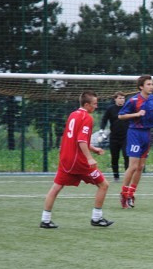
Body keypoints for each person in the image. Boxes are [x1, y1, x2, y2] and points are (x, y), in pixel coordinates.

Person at [40, 90, 114, 228]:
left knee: (56, 187)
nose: (96, 106)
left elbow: (76, 138)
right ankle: (96, 218)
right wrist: (89, 158)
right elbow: (81, 141)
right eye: (94, 104)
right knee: (104, 185)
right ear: (86, 105)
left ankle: (45, 220)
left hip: (65, 159)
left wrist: (94, 149)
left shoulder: (73, 115)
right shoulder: (87, 118)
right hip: (79, 162)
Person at [118, 75, 153, 208]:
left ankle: (131, 194)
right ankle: (123, 193)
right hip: (135, 133)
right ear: (141, 87)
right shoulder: (133, 100)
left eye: (152, 84)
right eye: (148, 84)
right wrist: (136, 114)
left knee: (140, 167)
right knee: (133, 166)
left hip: (147, 134)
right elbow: (121, 115)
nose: (152, 86)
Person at [99, 91, 130, 180]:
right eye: (120, 98)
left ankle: (127, 176)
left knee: (126, 156)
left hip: (126, 137)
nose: (122, 100)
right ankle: (116, 177)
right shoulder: (110, 109)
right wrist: (101, 131)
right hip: (114, 137)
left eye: (123, 98)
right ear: (115, 99)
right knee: (115, 158)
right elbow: (104, 120)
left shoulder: (128, 108)